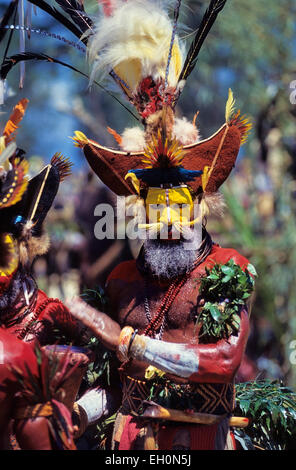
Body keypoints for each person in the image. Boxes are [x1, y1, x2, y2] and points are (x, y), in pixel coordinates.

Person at [66, 0, 255, 450]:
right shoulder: (120, 281)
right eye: (156, 208)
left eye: (179, 207)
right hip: (129, 444)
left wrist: (129, 342)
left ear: (201, 206)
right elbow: (114, 384)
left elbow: (224, 360)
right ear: (137, 211)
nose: (168, 221)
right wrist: (80, 413)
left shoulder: (229, 270)